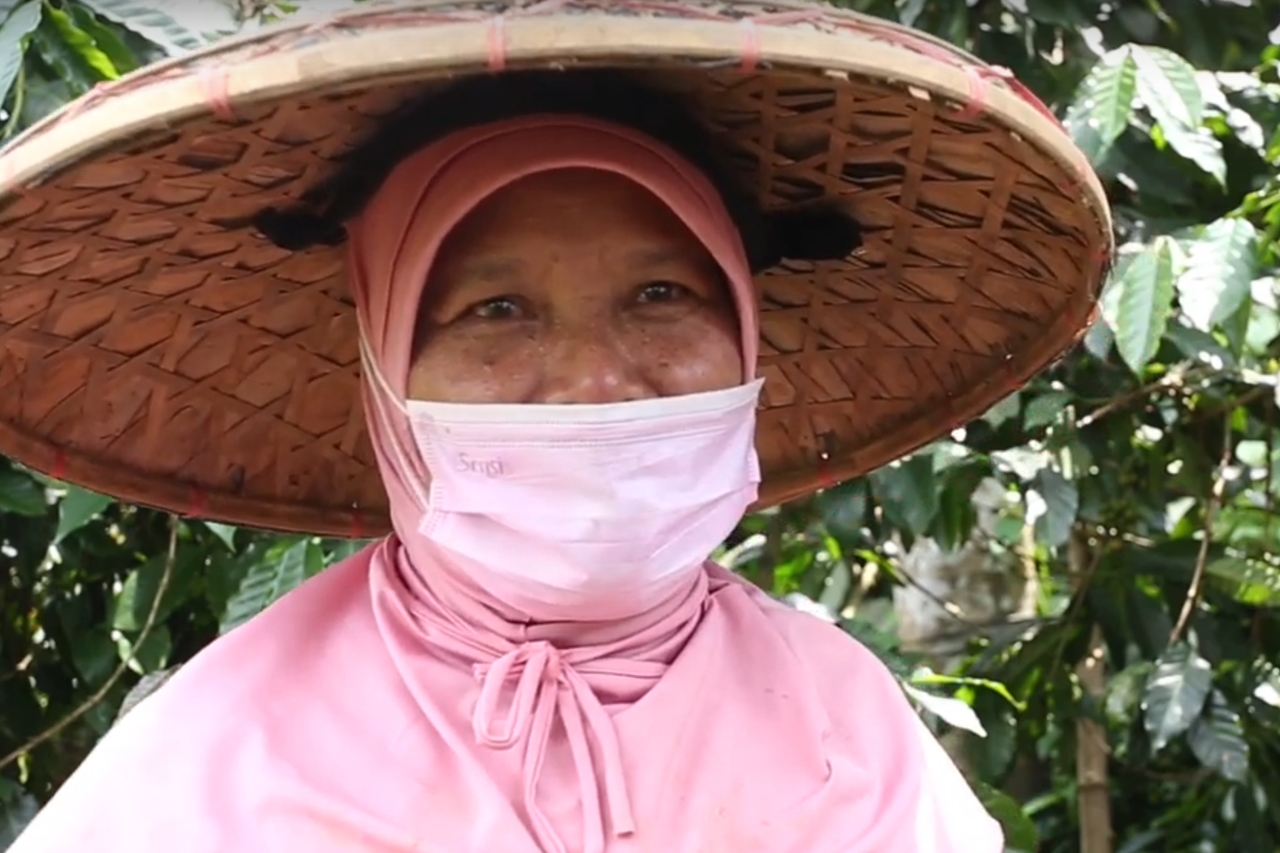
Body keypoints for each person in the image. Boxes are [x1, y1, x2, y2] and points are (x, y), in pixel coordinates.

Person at [0, 4, 1111, 851]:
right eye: (495, 312)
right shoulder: (216, 763)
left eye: (662, 297)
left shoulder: (846, 725)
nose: (592, 382)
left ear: (746, 336)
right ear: (386, 369)